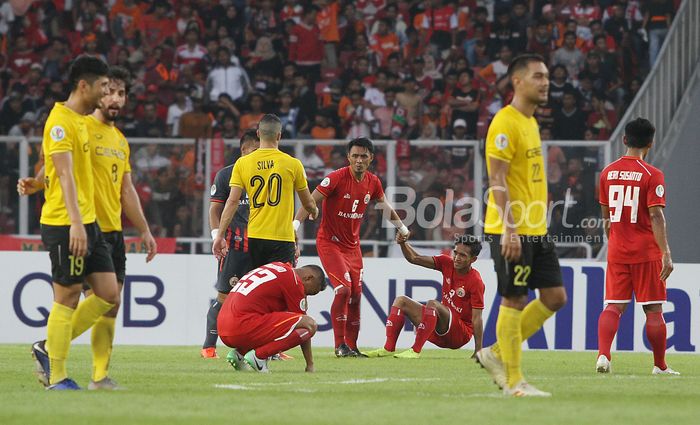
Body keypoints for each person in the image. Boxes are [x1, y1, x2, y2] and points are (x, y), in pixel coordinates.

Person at [20, 66, 158, 390]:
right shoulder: (79, 123)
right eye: (108, 90)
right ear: (93, 90)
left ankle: (95, 374)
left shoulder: (120, 141)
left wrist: (145, 230)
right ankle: (58, 366)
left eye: (120, 93)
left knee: (111, 300)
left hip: (107, 227)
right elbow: (60, 167)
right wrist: (40, 183)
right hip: (76, 223)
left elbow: (127, 190)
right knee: (69, 296)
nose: (113, 98)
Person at [476, 54, 567, 397]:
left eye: (546, 77)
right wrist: (510, 229)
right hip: (509, 228)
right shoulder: (505, 122)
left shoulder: (530, 122)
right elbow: (496, 178)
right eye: (538, 76)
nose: (545, 82)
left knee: (555, 297)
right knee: (514, 298)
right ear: (517, 81)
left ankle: (495, 353)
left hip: (535, 229)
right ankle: (514, 382)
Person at [29, 56, 115, 390]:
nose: (107, 93)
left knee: (108, 293)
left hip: (88, 221)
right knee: (67, 296)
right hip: (66, 222)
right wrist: (77, 225)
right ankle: (57, 376)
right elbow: (64, 175)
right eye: (103, 87)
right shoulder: (60, 122)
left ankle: (48, 347)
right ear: (85, 85)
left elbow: (50, 168)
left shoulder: (80, 121)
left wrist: (36, 180)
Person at [293, 137, 409, 357]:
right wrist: (295, 225)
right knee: (343, 289)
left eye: (363, 156)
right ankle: (339, 346)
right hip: (330, 243)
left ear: (371, 159)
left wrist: (402, 228)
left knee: (356, 294)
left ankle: (352, 346)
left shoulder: (373, 182)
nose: (359, 160)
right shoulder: (336, 178)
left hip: (353, 247)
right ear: (348, 157)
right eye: (355, 156)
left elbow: (385, 207)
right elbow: (311, 200)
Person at [596, 118, 678, 375]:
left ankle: (603, 356)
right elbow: (656, 216)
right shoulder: (653, 175)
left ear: (624, 140)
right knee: (653, 308)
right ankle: (660, 366)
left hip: (618, 250)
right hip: (646, 251)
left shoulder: (607, 172)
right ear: (651, 143)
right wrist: (666, 252)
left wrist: (614, 235)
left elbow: (606, 214)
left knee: (613, 306)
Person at [212, 114, 318, 268]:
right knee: (282, 286)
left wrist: (220, 235)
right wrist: (314, 210)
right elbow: (307, 202)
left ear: (258, 134)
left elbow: (232, 201)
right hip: (282, 237)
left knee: (261, 285)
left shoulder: (242, 163)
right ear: (279, 136)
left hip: (255, 238)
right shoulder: (293, 164)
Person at [365, 235, 484, 359]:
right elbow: (414, 258)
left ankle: (415, 350)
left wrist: (478, 350)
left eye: (463, 255)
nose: (457, 258)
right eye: (455, 253)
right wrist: (403, 243)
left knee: (433, 304)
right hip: (439, 329)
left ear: (473, 260)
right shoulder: (446, 263)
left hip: (459, 335)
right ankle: (388, 348)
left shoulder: (475, 281)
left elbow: (477, 318)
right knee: (401, 301)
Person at [201, 130, 259, 359]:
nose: (261, 155)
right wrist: (218, 235)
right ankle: (208, 346)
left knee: (265, 298)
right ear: (244, 150)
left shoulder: (266, 174)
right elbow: (215, 209)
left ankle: (269, 351)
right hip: (234, 247)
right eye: (256, 150)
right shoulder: (226, 175)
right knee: (225, 297)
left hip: (262, 245)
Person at [218, 262, 327, 373]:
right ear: (309, 278)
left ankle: (240, 354)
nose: (305, 295)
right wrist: (310, 364)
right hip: (240, 326)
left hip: (223, 327)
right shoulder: (294, 281)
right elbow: (305, 322)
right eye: (309, 292)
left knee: (279, 322)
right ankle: (259, 357)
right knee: (310, 325)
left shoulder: (277, 266)